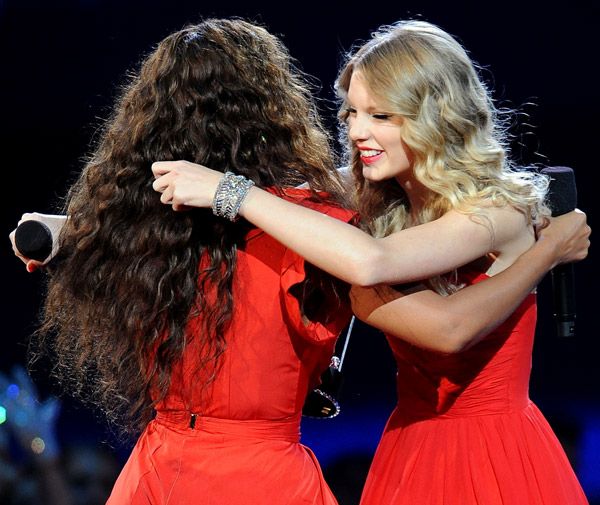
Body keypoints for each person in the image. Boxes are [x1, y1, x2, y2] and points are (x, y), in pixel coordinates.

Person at [149, 20, 590, 505]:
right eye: (352, 113)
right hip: (411, 448)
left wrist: (229, 191)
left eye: (381, 115)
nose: (358, 132)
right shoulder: (376, 195)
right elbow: (288, 205)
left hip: (494, 451)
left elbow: (413, 299)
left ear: (436, 117)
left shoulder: (497, 210)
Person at [13, 18, 359, 505]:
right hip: (263, 478)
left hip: (159, 475)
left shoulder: (144, 235)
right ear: (273, 110)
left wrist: (61, 228)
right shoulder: (313, 225)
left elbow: (86, 226)